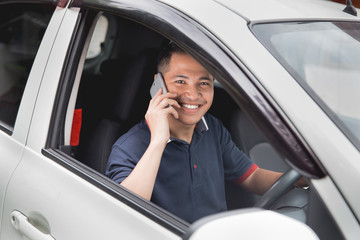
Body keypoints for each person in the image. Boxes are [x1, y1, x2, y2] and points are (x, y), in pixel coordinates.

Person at [106, 42, 306, 223]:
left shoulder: (213, 128)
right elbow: (126, 215)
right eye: (181, 81)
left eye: (203, 83)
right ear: (158, 84)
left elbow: (251, 177)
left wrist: (300, 179)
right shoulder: (129, 146)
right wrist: (158, 140)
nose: (193, 95)